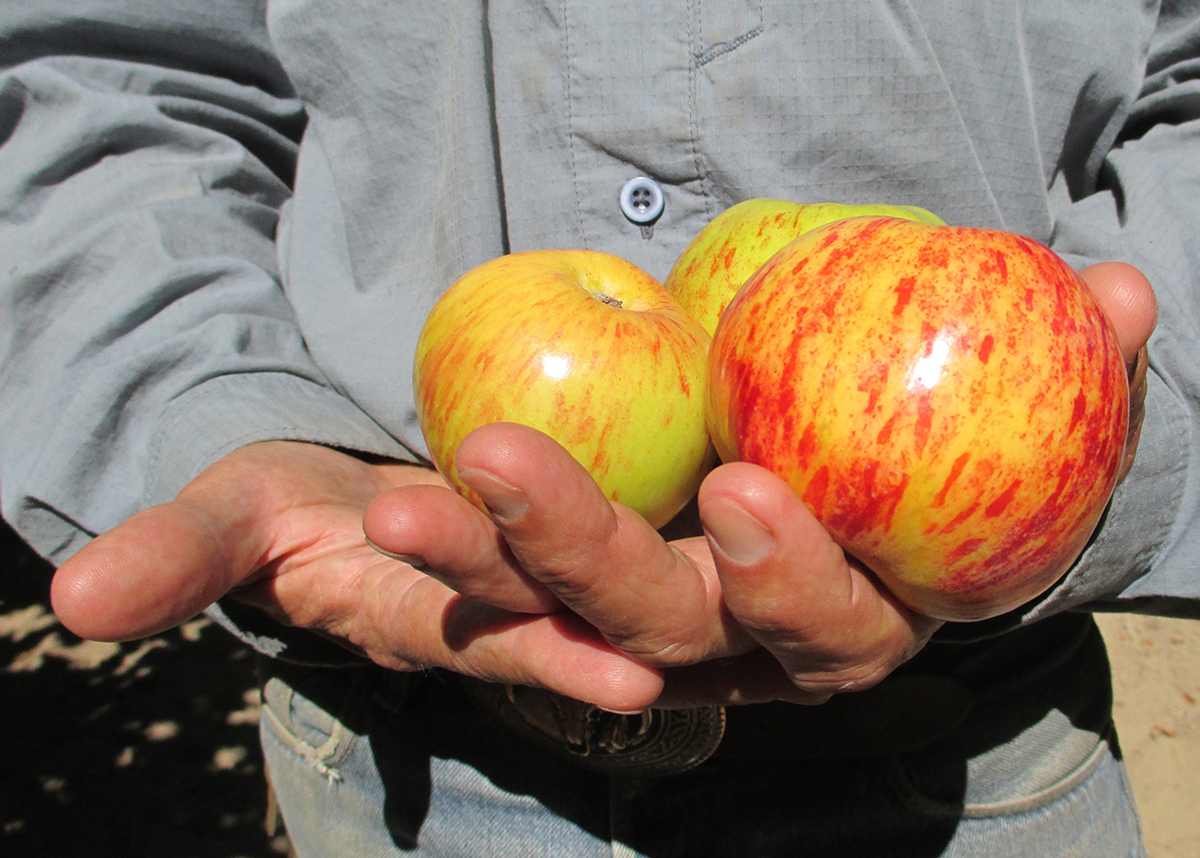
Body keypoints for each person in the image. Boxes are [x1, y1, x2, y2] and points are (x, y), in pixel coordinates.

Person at [0, 2, 1194, 855]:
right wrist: (216, 401)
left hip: (979, 752)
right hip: (401, 730)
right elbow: (108, 72)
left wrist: (1102, 448)